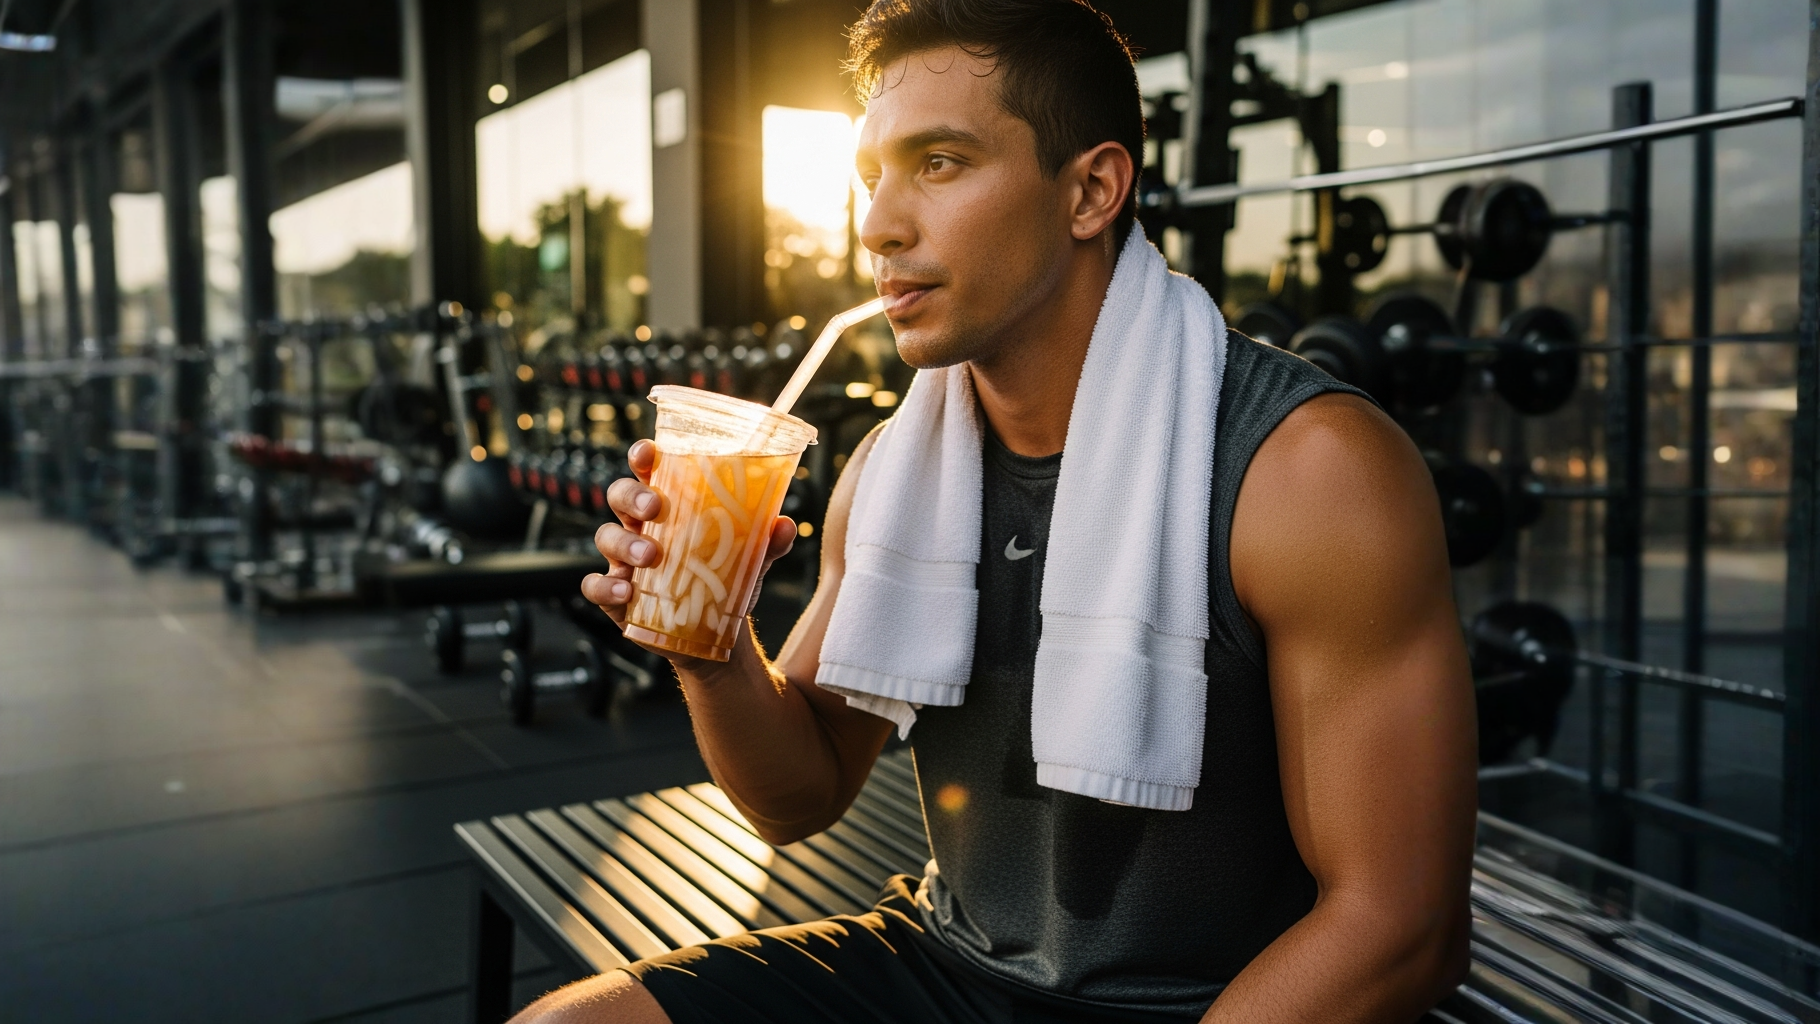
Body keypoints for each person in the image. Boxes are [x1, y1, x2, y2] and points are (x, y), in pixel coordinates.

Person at [520, 1, 1477, 1021]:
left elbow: (1399, 926)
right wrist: (711, 652)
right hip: (949, 964)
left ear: (1091, 192)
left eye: (938, 163)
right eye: (870, 176)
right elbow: (795, 799)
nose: (879, 225)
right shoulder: (893, 473)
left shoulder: (1308, 470)